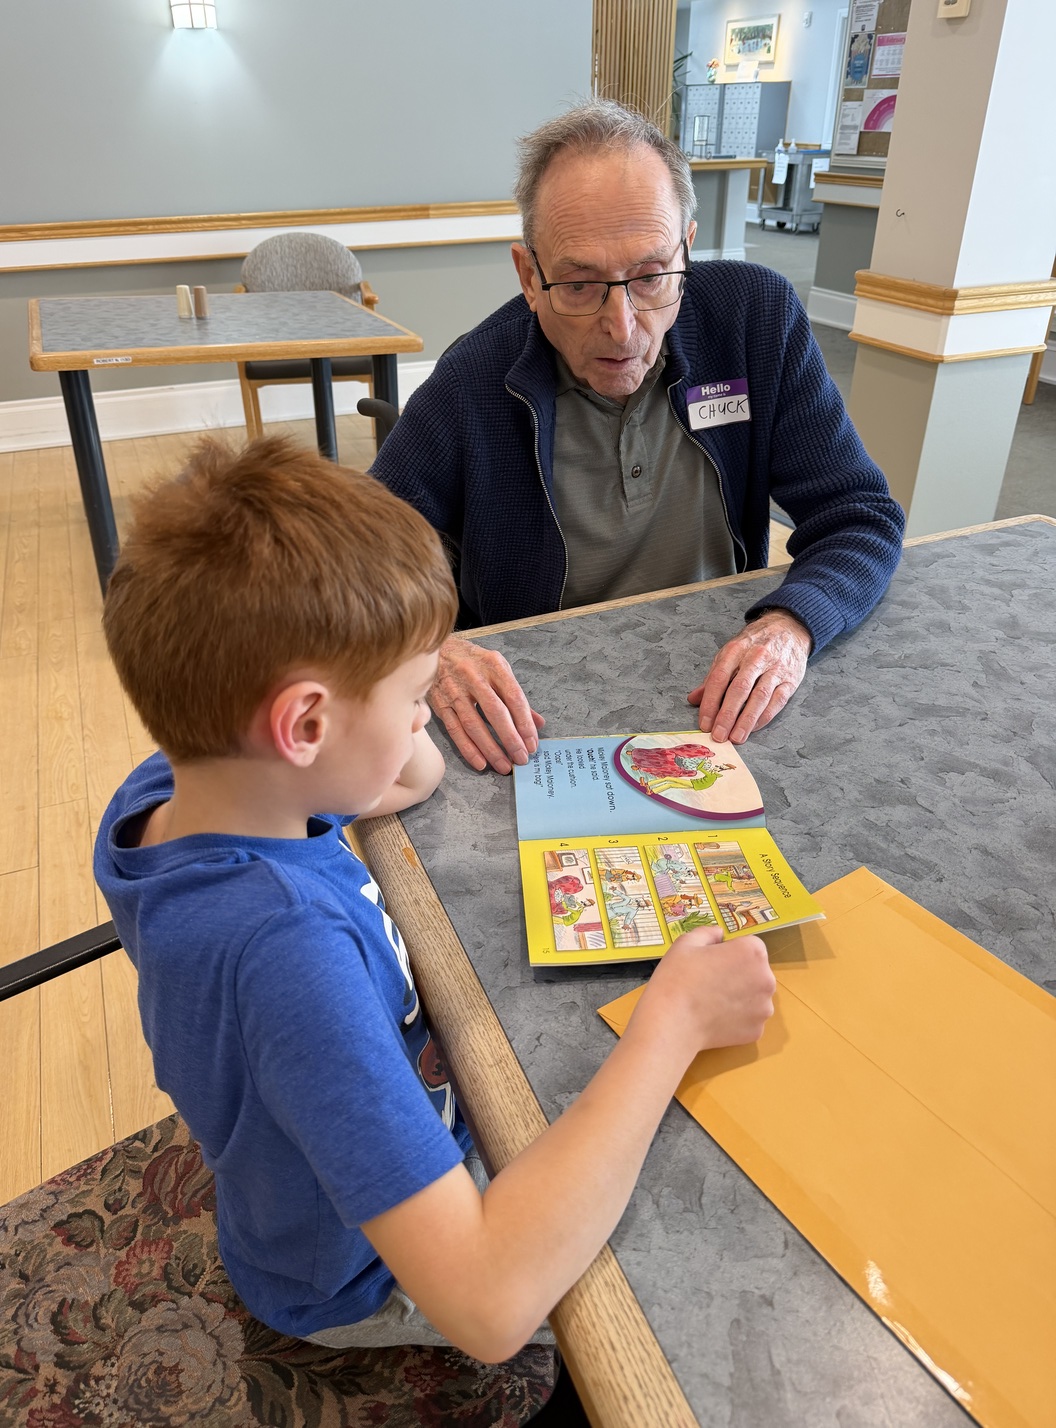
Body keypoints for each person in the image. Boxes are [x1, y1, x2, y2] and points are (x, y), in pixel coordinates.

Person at [94, 436, 776, 1370]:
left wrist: (395, 674)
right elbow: (488, 1306)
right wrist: (674, 1023)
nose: (429, 716)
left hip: (318, 1180)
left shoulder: (183, 786)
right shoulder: (287, 955)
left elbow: (406, 777)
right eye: (419, 693)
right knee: (686, 1275)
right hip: (362, 1279)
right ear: (303, 724)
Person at [372, 100, 906, 775]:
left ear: (687, 247)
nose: (622, 328)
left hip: (721, 693)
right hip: (537, 720)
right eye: (579, 285)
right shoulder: (472, 380)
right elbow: (355, 563)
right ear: (529, 276)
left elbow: (859, 514)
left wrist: (790, 625)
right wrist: (431, 649)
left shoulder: (757, 321)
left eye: (652, 277)